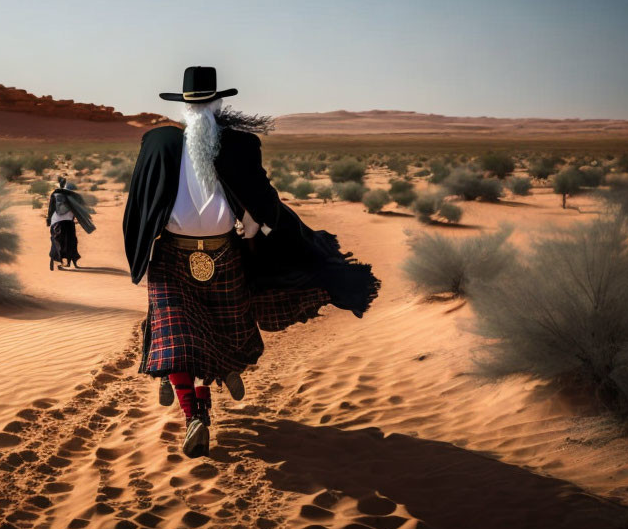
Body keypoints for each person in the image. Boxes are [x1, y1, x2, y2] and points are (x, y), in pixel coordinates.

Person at [123, 66, 380, 458]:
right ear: (197, 106)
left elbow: (260, 194)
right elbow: (141, 197)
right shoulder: (158, 144)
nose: (202, 108)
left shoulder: (240, 146)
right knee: (179, 339)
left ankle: (205, 391)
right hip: (172, 258)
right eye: (198, 103)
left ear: (211, 104)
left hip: (226, 254)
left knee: (216, 334)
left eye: (203, 102)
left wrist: (255, 221)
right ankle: (194, 415)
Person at [47, 176, 96, 270]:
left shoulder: (56, 194)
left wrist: (49, 220)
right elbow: (79, 207)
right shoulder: (71, 195)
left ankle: (61, 261)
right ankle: (63, 262)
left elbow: (51, 209)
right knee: (68, 241)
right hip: (65, 221)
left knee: (60, 241)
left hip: (59, 221)